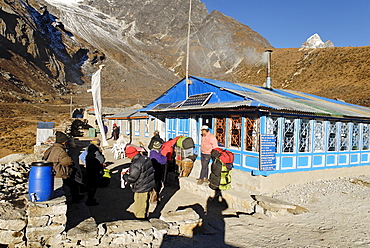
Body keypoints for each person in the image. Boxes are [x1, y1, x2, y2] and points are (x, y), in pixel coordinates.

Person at [43, 131, 80, 203]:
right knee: (74, 183)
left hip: (52, 170)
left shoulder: (51, 148)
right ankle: (75, 199)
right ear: (63, 142)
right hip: (60, 172)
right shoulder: (61, 151)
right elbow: (67, 162)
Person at [123, 145, 155, 219]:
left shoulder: (136, 164)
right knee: (145, 204)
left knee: (139, 206)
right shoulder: (146, 158)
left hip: (141, 188)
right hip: (148, 185)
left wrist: (124, 176)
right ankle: (145, 217)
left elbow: (132, 179)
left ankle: (141, 222)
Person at [85, 137, 106, 206]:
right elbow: (101, 160)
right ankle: (90, 200)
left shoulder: (89, 149)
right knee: (93, 186)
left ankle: (90, 199)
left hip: (89, 168)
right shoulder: (95, 151)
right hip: (94, 170)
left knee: (90, 185)